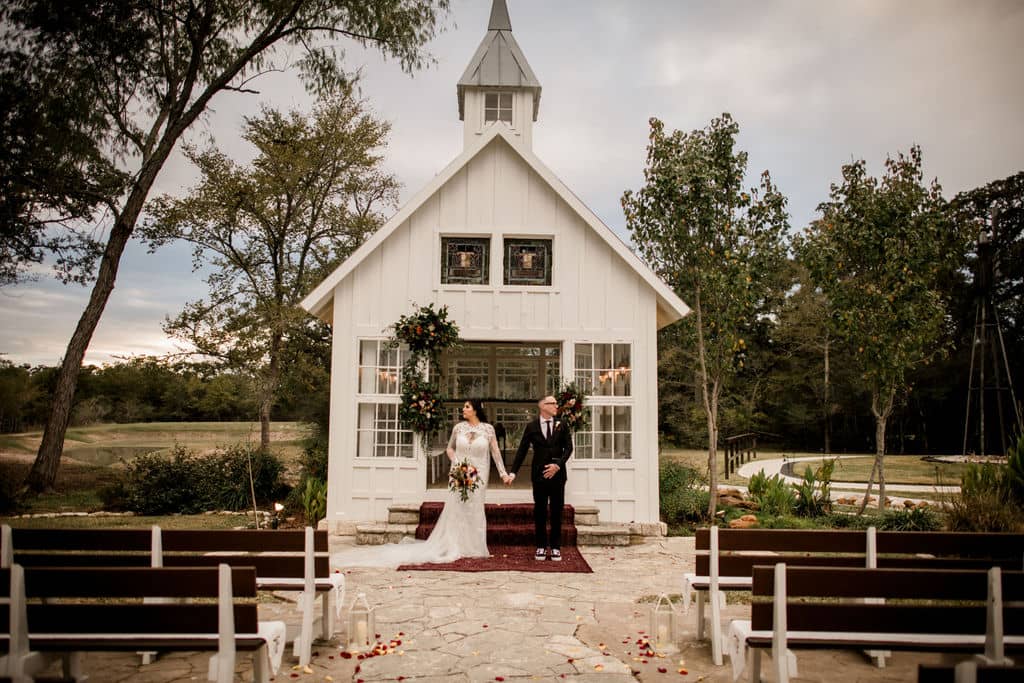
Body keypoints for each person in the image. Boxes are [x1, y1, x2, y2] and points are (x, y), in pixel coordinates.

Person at [332, 399, 510, 568]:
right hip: (460, 472)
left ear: (476, 410)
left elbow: (495, 453)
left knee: (475, 508)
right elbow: (450, 448)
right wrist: (457, 463)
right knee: (457, 508)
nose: (463, 409)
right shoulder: (458, 428)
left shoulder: (488, 430)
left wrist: (503, 474)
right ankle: (455, 545)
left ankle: (475, 547)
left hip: (479, 474)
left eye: (466, 407)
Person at [507, 395, 573, 561]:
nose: (556, 406)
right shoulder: (532, 427)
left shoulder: (562, 425)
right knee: (540, 511)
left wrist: (557, 465)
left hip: (558, 475)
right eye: (553, 403)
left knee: (557, 511)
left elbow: (569, 448)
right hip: (539, 476)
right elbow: (522, 450)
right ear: (543, 406)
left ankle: (556, 547)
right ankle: (541, 546)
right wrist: (513, 472)